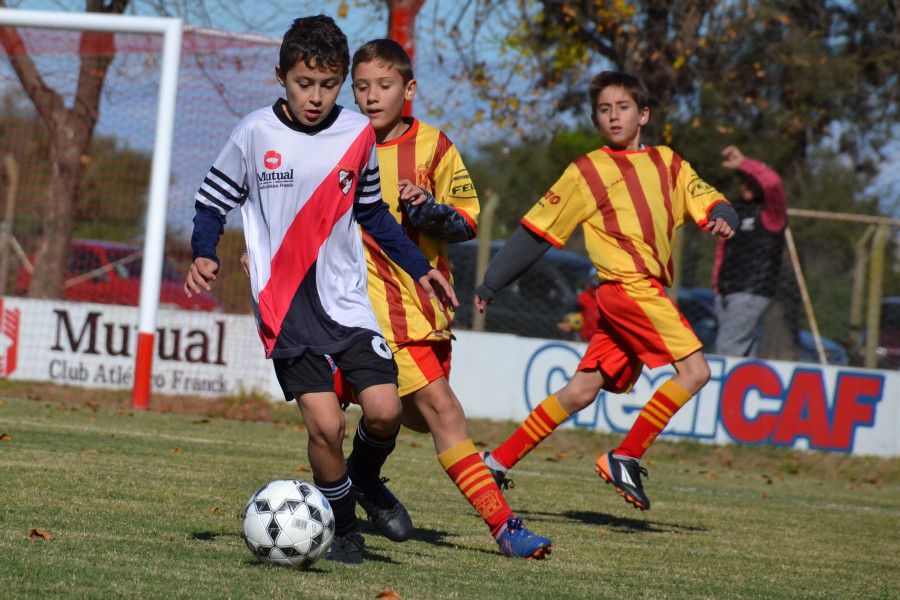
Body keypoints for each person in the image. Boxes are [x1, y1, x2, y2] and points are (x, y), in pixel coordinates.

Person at [184, 15, 457, 565]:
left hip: (346, 300)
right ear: (280, 76)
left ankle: (357, 481)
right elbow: (212, 202)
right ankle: (345, 527)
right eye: (304, 84)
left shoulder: (355, 134)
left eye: (329, 85)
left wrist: (416, 265)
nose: (316, 97)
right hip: (285, 309)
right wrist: (205, 252)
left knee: (382, 411)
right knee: (327, 423)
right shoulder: (255, 133)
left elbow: (373, 213)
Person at [475, 71, 737, 511]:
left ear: (644, 114)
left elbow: (707, 197)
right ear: (596, 119)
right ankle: (626, 455)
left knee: (581, 391)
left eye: (623, 107)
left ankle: (496, 464)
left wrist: (723, 213)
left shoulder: (670, 164)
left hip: (637, 293)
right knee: (695, 372)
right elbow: (538, 231)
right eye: (604, 110)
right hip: (628, 288)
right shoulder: (587, 171)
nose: (613, 116)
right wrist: (492, 280)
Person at [348, 39, 550, 559]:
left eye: (384, 86)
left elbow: (466, 222)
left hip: (427, 308)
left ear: (408, 89)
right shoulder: (342, 144)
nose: (372, 97)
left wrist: (429, 212)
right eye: (362, 87)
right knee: (444, 412)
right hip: (374, 306)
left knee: (403, 418)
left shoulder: (435, 147)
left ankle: (358, 479)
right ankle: (505, 527)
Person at [713, 145, 787, 357]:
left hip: (751, 290)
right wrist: (718, 287)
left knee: (727, 348)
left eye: (751, 182)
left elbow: (773, 182)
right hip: (726, 290)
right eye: (743, 182)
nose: (745, 186)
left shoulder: (771, 214)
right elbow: (722, 252)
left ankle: (725, 389)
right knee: (743, 351)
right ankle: (747, 385)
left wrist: (745, 164)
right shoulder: (735, 212)